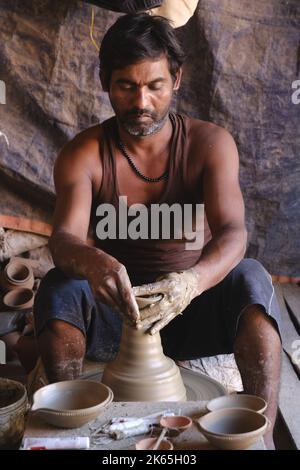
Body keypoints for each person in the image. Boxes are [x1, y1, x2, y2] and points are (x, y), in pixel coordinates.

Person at [33, 13, 281, 449]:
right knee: (58, 288)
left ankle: (261, 437)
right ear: (106, 82)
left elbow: (232, 233)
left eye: (155, 85)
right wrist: (94, 260)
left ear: (177, 79)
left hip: (188, 307)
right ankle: (73, 429)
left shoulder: (210, 144)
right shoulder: (84, 153)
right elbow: (64, 240)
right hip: (117, 313)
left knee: (253, 280)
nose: (141, 101)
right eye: (126, 86)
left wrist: (191, 281)